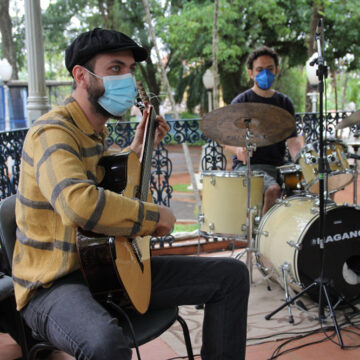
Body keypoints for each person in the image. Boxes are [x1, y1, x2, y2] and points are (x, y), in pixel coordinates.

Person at [12, 28, 249, 360]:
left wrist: (138, 147)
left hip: (106, 270)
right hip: (53, 283)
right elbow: (78, 203)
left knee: (231, 275)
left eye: (130, 69)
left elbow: (107, 181)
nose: (127, 78)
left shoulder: (94, 134)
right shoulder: (52, 133)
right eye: (115, 68)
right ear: (81, 76)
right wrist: (154, 218)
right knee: (104, 343)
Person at [225, 46, 304, 214]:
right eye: (260, 70)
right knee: (273, 190)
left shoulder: (284, 103)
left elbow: (292, 142)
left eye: (269, 69)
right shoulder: (242, 101)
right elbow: (224, 139)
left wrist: (303, 163)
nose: (265, 74)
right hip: (248, 168)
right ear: (251, 73)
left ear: (276, 70)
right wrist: (238, 149)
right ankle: (263, 236)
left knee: (305, 189)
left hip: (278, 166)